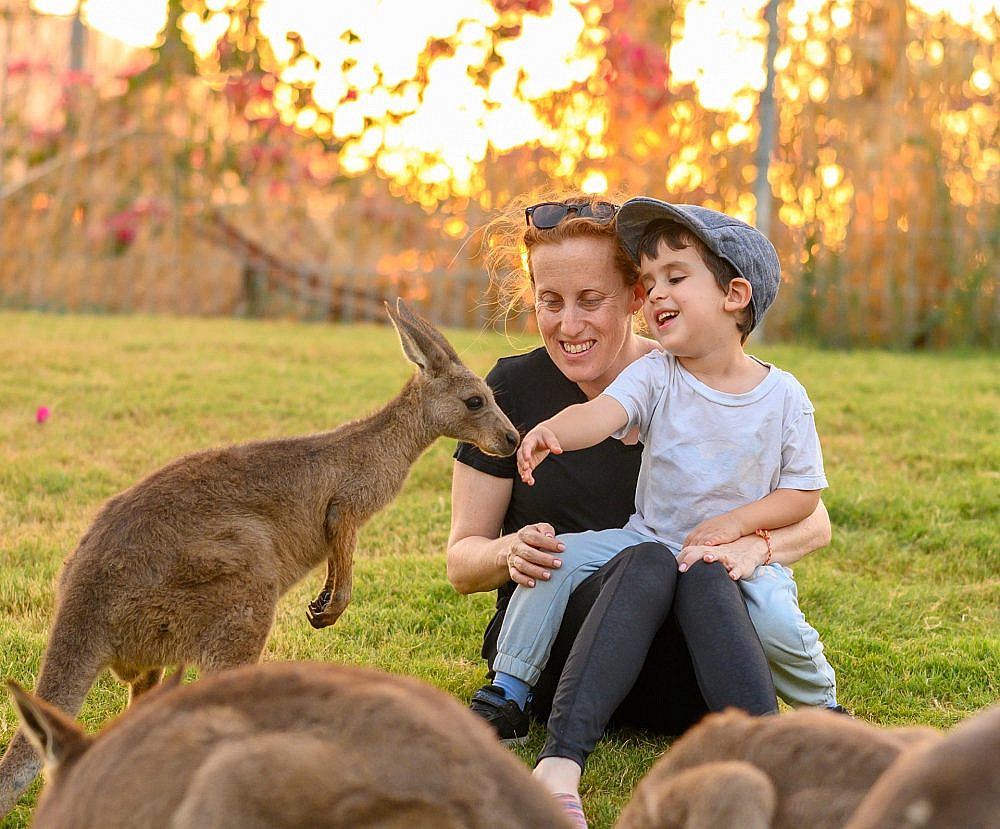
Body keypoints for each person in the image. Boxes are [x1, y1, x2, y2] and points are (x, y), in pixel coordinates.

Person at [447, 194, 832, 826]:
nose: (568, 324)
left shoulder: (691, 373)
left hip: (690, 652)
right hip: (566, 654)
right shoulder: (513, 389)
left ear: (633, 298)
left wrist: (746, 542)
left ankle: (787, 751)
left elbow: (812, 516)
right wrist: (509, 551)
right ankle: (538, 735)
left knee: (688, 566)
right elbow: (462, 562)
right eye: (550, 301)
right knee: (649, 557)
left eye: (591, 299)